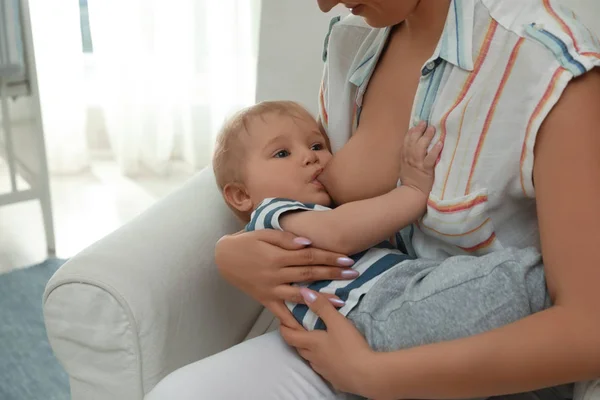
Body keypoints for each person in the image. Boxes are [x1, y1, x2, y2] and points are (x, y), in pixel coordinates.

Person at [147, 0, 600, 399]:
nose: (325, 5)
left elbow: (588, 328)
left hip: (480, 366)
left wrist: (374, 376)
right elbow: (309, 208)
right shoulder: (354, 39)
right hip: (354, 326)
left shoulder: (545, 64)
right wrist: (232, 253)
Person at [211, 100, 546, 346]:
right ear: (241, 196)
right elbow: (339, 234)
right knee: (515, 285)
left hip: (386, 311)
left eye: (316, 145)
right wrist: (414, 191)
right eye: (282, 153)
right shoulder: (272, 215)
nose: (310, 156)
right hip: (376, 311)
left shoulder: (325, 210)